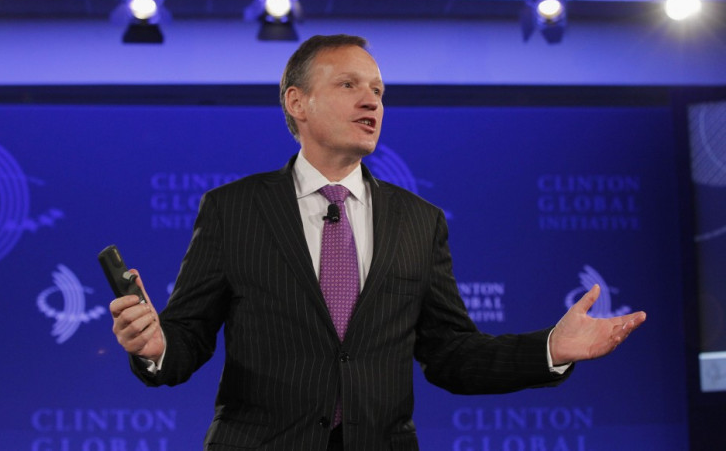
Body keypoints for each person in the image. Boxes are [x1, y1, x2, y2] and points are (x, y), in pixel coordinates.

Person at [109, 34, 646, 451]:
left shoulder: (420, 221)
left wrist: (551, 348)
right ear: (297, 102)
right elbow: (188, 336)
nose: (371, 100)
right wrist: (156, 348)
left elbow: (450, 355)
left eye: (378, 90)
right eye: (349, 85)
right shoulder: (235, 209)